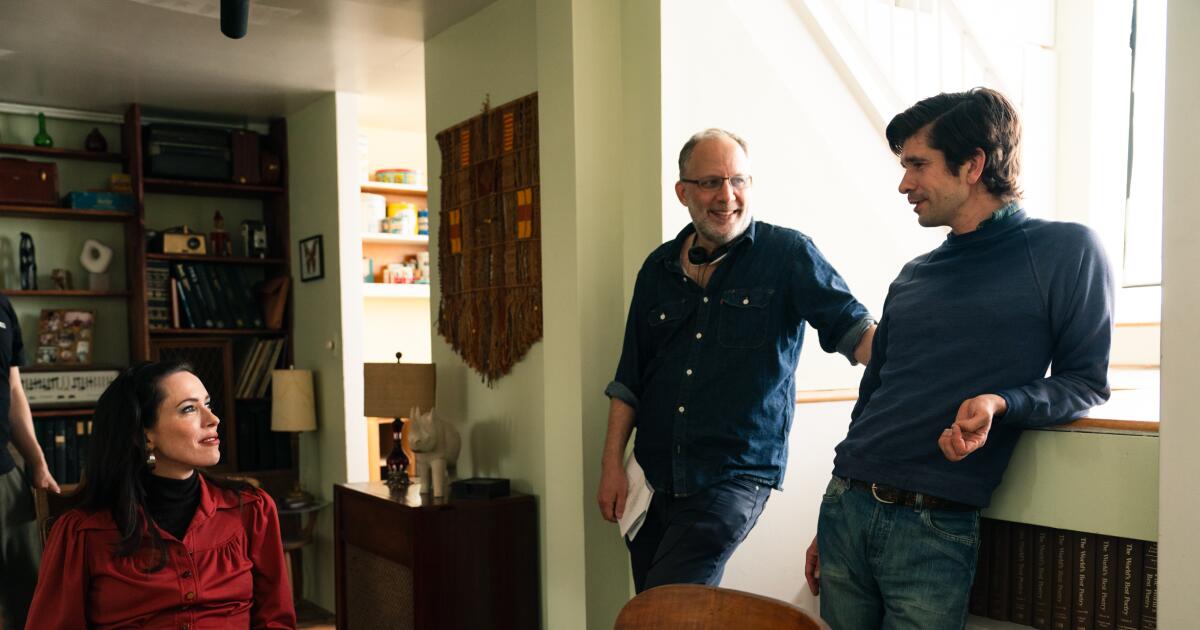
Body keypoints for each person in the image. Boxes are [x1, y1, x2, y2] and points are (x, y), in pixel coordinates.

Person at [804, 88, 1114, 628]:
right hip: (845, 506)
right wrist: (827, 518)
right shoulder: (912, 275)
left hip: (934, 523)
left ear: (973, 165)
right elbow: (872, 398)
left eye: (917, 165)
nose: (904, 184)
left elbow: (1084, 383)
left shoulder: (1067, 251)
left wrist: (1001, 402)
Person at [597, 128, 876, 592]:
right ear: (683, 192)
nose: (727, 196)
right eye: (711, 182)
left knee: (669, 609)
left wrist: (913, 358)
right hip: (652, 475)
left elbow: (856, 331)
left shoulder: (788, 254)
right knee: (651, 605)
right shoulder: (657, 268)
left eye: (738, 180)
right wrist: (611, 466)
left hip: (733, 476)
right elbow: (630, 379)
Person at [27, 360, 296, 629]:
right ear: (145, 436)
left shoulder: (252, 510)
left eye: (208, 404)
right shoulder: (82, 534)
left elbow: (276, 621)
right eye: (189, 409)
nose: (213, 419)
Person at [1, 292, 60, 630]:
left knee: (30, 596)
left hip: (5, 475)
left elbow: (13, 389)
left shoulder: (3, 306)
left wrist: (37, 461)